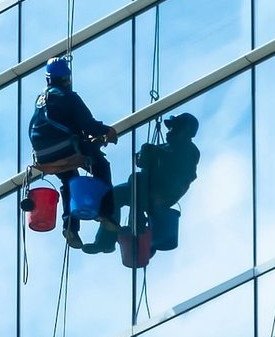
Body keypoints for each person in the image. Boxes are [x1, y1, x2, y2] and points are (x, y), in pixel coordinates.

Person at [29, 56, 118, 250]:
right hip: (66, 147)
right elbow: (88, 125)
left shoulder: (41, 100)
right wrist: (107, 131)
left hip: (44, 155)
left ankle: (70, 226)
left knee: (69, 179)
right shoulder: (69, 97)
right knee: (101, 167)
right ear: (67, 79)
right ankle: (105, 212)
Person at [99, 113, 201, 261]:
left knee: (137, 179)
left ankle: (138, 225)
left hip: (166, 192)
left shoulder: (190, 151)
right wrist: (142, 155)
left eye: (173, 129)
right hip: (146, 188)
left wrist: (154, 153)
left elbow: (180, 169)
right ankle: (106, 240)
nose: (169, 132)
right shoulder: (164, 146)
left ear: (184, 131)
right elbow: (141, 160)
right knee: (116, 194)